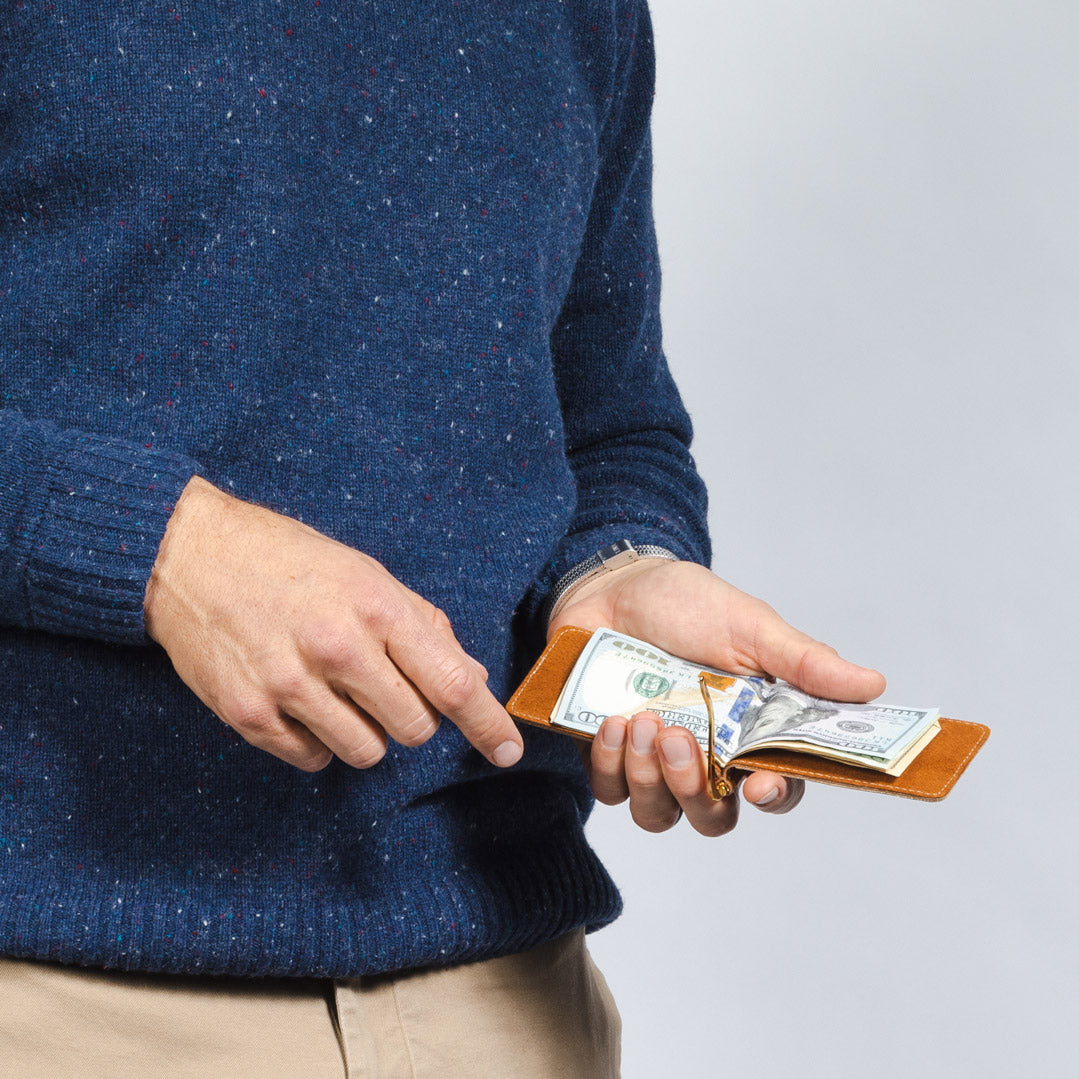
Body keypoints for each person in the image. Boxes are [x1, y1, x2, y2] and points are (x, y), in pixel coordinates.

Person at [0, 1, 884, 1073]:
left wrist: (620, 562)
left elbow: (610, 417)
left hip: (505, 988)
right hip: (54, 994)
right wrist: (162, 552)